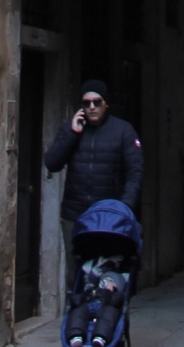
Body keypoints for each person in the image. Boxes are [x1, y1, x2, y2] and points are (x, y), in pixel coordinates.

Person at [44, 79, 143, 275]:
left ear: (105, 103)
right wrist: (72, 133)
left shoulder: (123, 131)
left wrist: (124, 207)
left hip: (109, 217)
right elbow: (52, 163)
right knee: (77, 276)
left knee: (107, 273)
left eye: (96, 102)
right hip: (75, 215)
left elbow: (135, 172)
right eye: (86, 103)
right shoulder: (71, 129)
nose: (91, 107)